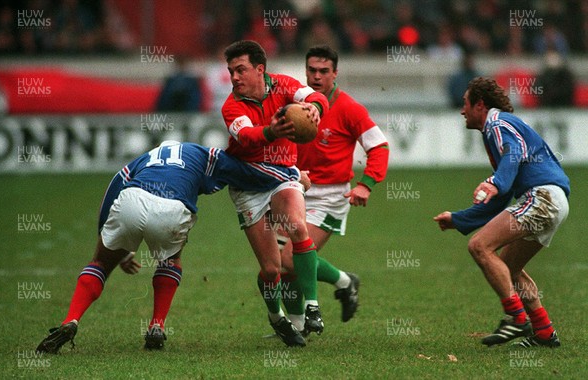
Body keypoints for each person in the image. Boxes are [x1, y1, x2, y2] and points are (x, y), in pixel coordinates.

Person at [36, 140, 303, 353]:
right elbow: (247, 171)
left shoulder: (147, 157)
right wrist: (292, 175)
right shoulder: (202, 154)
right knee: (171, 261)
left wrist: (106, 235)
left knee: (99, 264)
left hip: (132, 198)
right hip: (171, 210)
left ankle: (70, 320)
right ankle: (156, 325)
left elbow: (116, 182)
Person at [433, 77, 570, 348]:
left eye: (465, 104)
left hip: (542, 197)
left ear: (479, 105)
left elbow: (514, 153)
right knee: (508, 268)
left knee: (480, 247)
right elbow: (502, 197)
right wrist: (460, 219)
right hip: (553, 200)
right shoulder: (500, 127)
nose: (462, 110)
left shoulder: (496, 123)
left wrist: (495, 181)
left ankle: (516, 318)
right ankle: (544, 331)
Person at [272, 45, 389, 334]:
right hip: (294, 189)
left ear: (335, 73)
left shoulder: (349, 108)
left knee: (289, 257)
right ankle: (298, 324)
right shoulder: (294, 104)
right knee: (279, 264)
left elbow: (379, 146)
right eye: (311, 70)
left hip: (331, 196)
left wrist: (367, 184)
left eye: (323, 71)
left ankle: (344, 281)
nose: (316, 76)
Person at [221, 40, 329, 347]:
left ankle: (312, 307)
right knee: (271, 269)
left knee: (297, 225)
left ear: (259, 69)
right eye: (231, 72)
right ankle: (276, 315)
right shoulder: (231, 106)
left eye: (240, 70)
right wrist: (273, 131)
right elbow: (246, 136)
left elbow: (315, 96)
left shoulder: (283, 85)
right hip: (249, 183)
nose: (235, 78)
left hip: (283, 174)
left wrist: (315, 108)